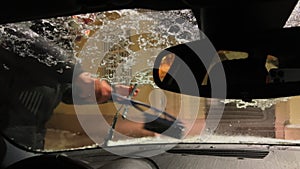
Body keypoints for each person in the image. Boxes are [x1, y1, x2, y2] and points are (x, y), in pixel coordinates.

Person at [0, 19, 138, 149]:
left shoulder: (62, 45)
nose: (89, 20)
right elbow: (14, 34)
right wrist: (78, 74)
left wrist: (108, 93)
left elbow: (64, 91)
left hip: (31, 139)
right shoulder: (24, 24)